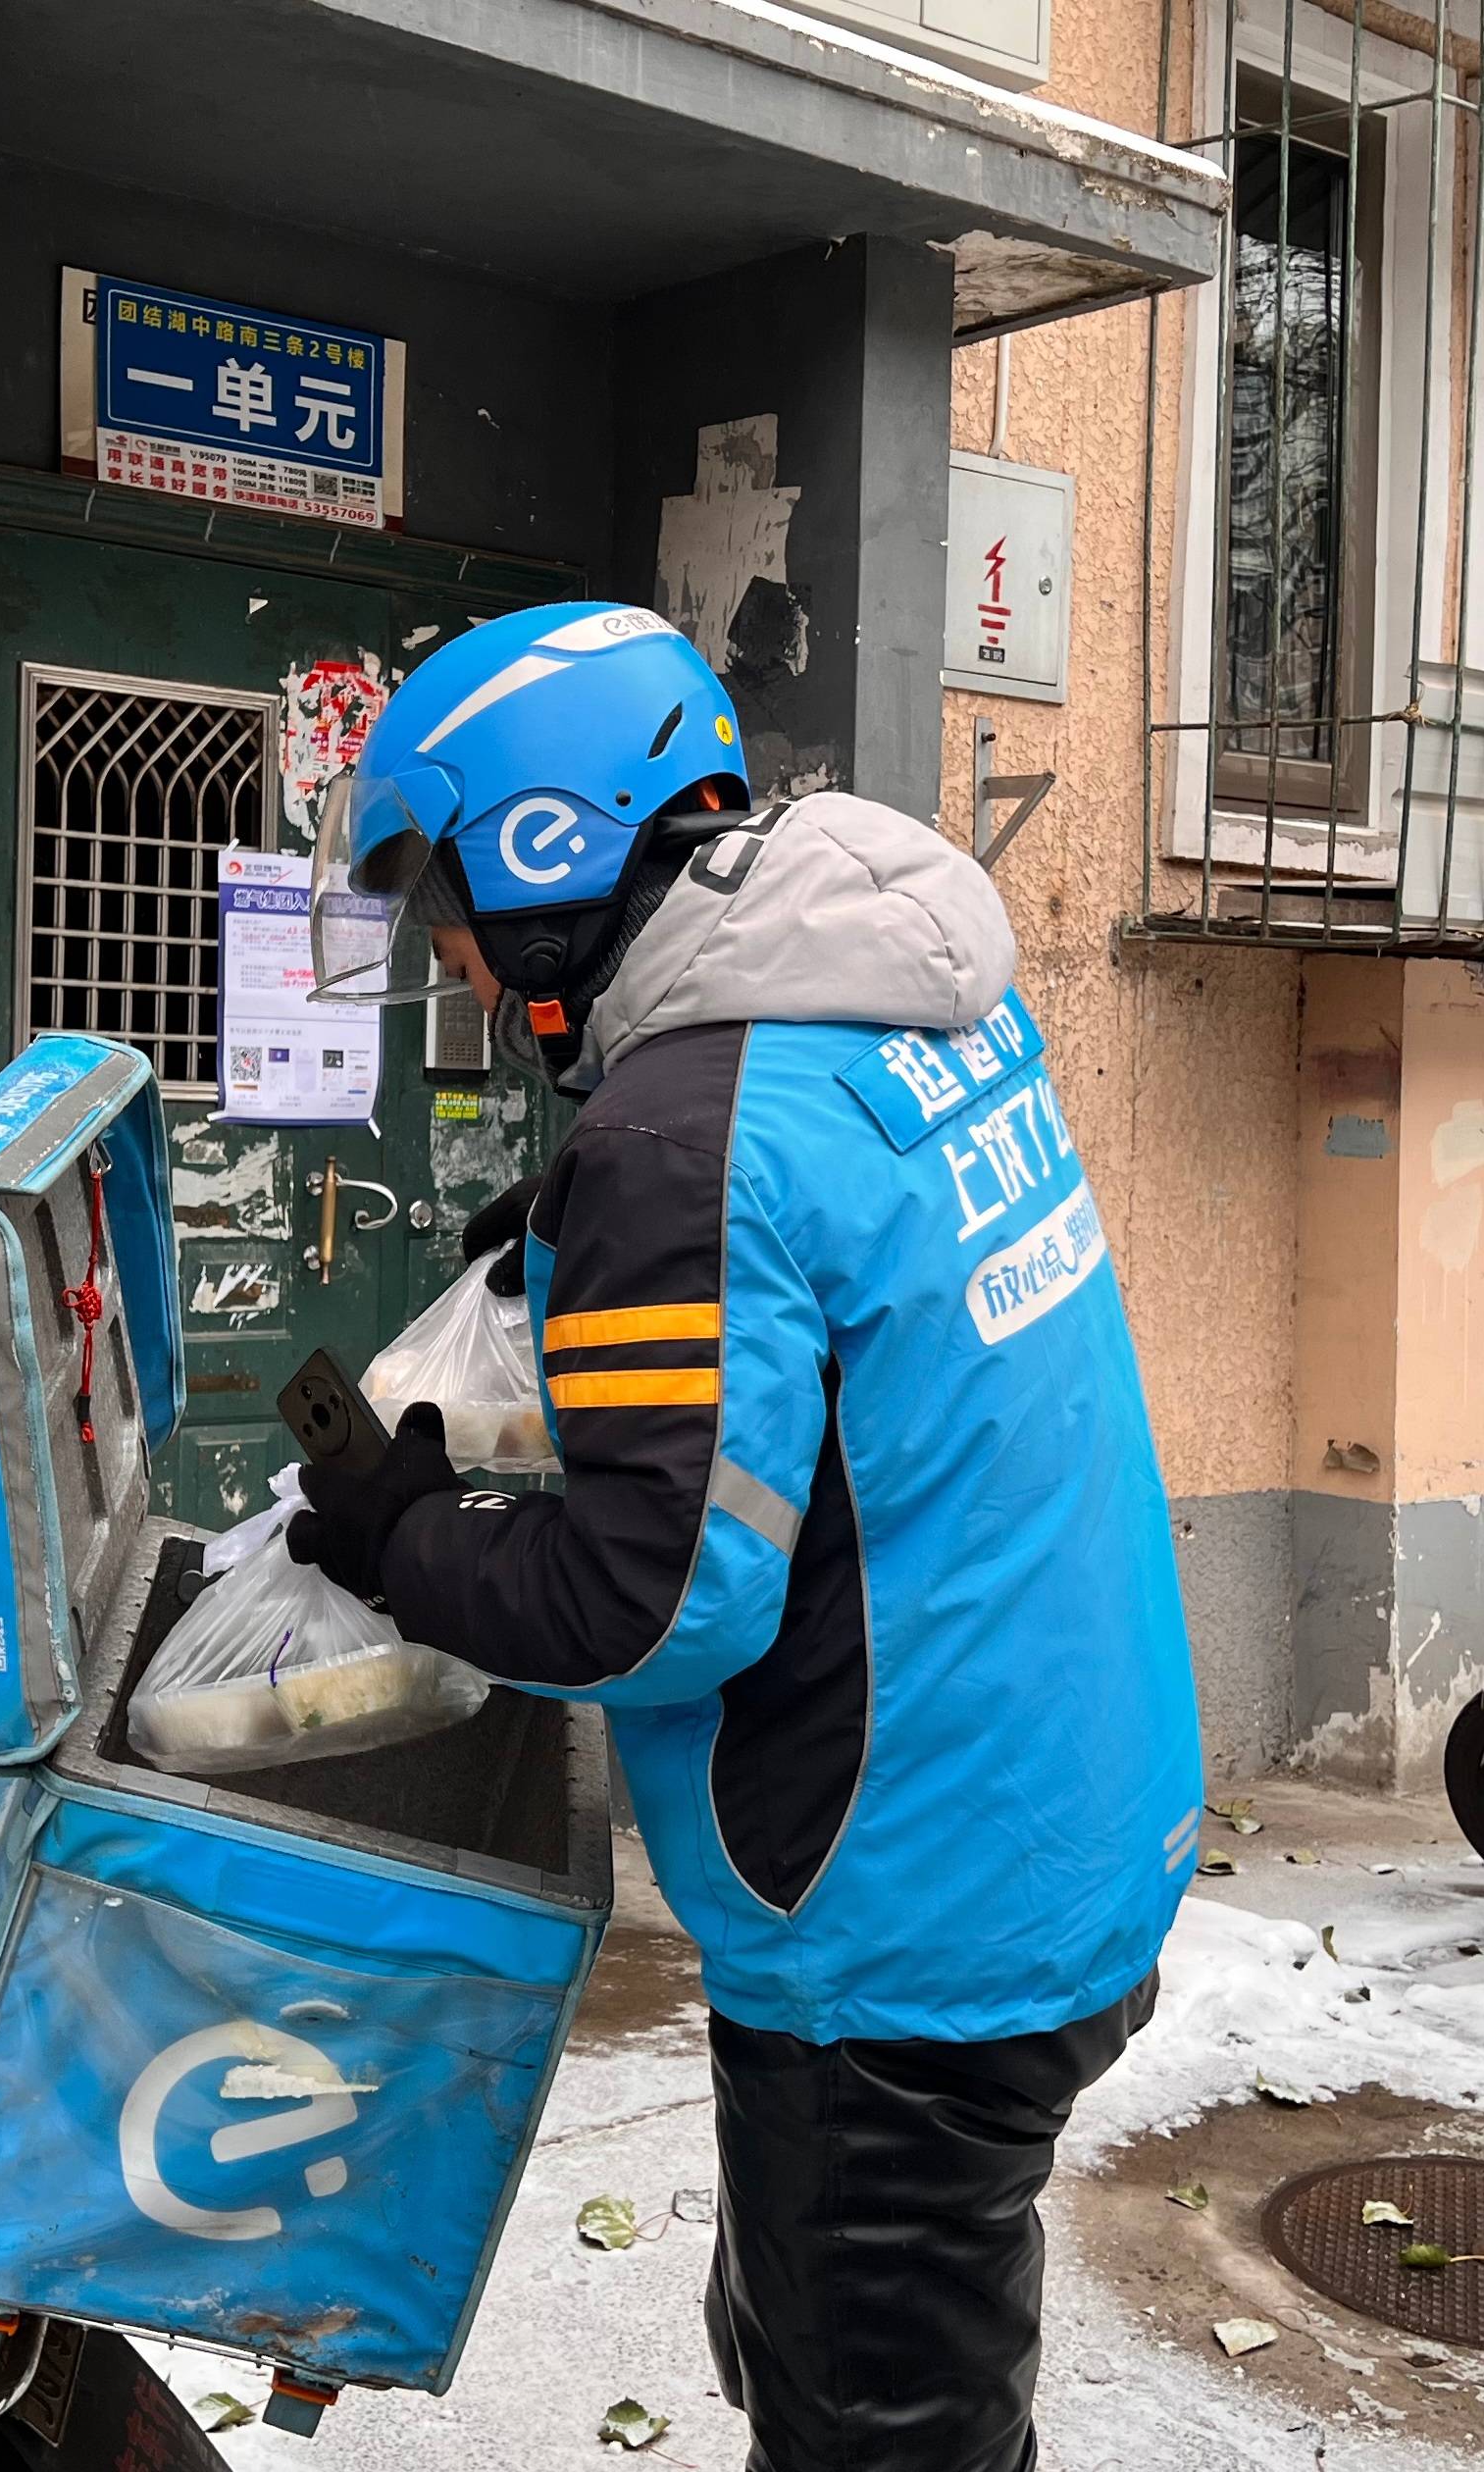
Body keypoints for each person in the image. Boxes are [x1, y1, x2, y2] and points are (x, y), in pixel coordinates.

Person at [284, 600, 1204, 2472]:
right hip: (1063, 1820)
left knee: (874, 2429)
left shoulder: (674, 1140)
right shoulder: (903, 1008)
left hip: (900, 1918)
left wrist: (401, 1530)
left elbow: (648, 1610)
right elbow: (851, 1339)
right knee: (842, 2343)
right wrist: (578, 1280)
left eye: (444, 896)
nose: (451, 963)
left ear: (545, 850)